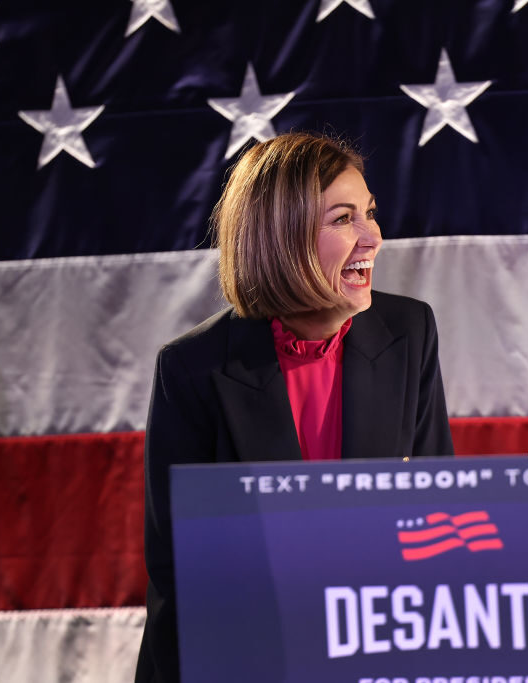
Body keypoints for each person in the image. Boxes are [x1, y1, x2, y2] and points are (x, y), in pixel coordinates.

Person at [134, 132, 454, 682]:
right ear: (279, 236)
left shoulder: (410, 331)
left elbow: (436, 517)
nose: (372, 237)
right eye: (343, 218)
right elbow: (181, 578)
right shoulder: (192, 369)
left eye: (369, 213)